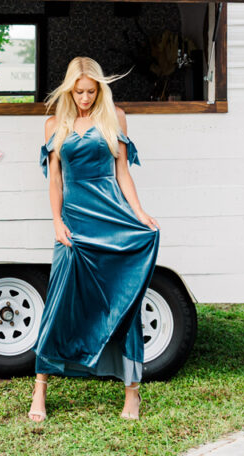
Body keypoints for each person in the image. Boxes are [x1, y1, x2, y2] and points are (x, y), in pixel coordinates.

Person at [28, 56, 160, 422]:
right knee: (59, 300)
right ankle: (40, 389)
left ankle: (131, 393)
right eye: (79, 91)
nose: (85, 98)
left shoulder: (114, 117)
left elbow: (122, 172)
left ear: (100, 89)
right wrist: (56, 220)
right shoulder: (54, 124)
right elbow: (55, 179)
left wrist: (139, 212)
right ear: (69, 89)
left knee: (124, 299)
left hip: (112, 217)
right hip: (74, 221)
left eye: (91, 91)